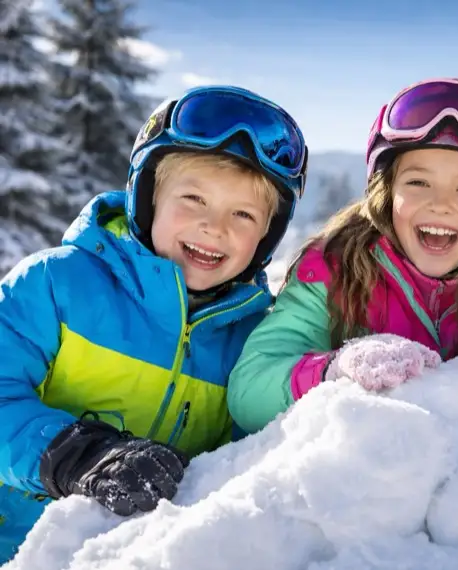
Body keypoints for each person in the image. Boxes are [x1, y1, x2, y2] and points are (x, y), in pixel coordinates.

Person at [0, 85, 308, 562]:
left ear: (267, 239)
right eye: (194, 199)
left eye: (243, 214)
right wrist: (73, 454)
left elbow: (254, 465)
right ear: (146, 200)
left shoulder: (250, 343)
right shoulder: (57, 284)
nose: (215, 226)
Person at [228, 78, 458, 434]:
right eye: (418, 183)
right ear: (387, 193)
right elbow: (250, 390)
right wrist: (333, 369)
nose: (440, 204)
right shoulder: (334, 268)